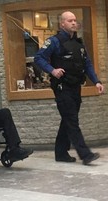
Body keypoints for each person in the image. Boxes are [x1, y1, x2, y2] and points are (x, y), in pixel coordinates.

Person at [34, 11, 104, 165]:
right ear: (62, 24)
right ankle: (85, 154)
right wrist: (52, 70)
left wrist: (96, 81)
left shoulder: (79, 43)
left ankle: (60, 152)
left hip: (75, 86)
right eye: (70, 20)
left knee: (67, 119)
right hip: (62, 87)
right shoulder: (54, 42)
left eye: (75, 20)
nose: (74, 23)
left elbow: (87, 64)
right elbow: (38, 58)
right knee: (72, 120)